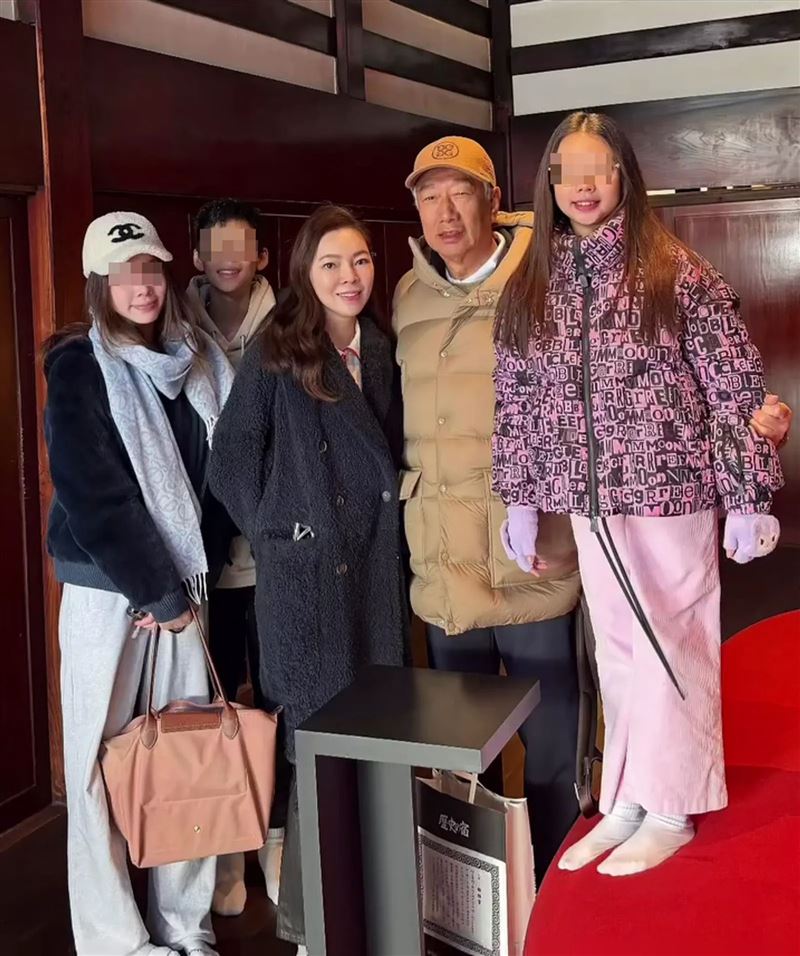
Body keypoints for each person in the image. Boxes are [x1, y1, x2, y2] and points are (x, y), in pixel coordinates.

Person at [393, 135, 793, 878]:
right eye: (566, 173)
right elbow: (520, 400)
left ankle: (672, 807)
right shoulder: (542, 277)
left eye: (596, 171)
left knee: (672, 644)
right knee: (617, 648)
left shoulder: (676, 270)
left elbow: (735, 386)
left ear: (622, 176)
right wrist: (520, 499)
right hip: (589, 501)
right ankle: (630, 797)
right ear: (549, 182)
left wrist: (747, 495)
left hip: (670, 490)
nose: (582, 187)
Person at [207, 205, 407, 954]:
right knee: (314, 739)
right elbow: (231, 459)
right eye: (331, 264)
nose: (349, 277)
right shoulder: (279, 348)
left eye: (360, 260)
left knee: (374, 731)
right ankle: (314, 923)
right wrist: (282, 528)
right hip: (305, 579)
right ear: (303, 273)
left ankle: (371, 904)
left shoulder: (380, 346)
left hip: (373, 570)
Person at [44, 212, 234, 956]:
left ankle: (185, 925)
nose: (142, 286)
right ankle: (116, 939)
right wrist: (161, 596)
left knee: (186, 754)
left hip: (185, 585)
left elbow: (214, 482)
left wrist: (181, 591)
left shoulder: (195, 361)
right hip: (110, 591)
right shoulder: (78, 365)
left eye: (150, 269)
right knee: (97, 763)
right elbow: (94, 495)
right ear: (99, 285)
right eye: (124, 275)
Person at [188, 198, 287, 916]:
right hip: (203, 552)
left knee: (278, 698)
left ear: (261, 257)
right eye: (214, 251)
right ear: (197, 259)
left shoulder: (288, 326)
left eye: (240, 249)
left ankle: (274, 839)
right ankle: (226, 844)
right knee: (216, 702)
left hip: (277, 548)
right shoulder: (172, 329)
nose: (228, 262)